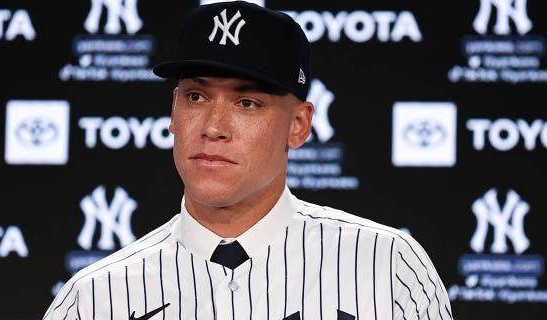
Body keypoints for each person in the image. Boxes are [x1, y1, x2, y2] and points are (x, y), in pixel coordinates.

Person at [43, 2, 453, 319]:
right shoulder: (96, 298)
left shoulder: (388, 268)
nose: (214, 127)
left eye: (247, 102)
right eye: (196, 97)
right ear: (173, 111)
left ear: (299, 124)